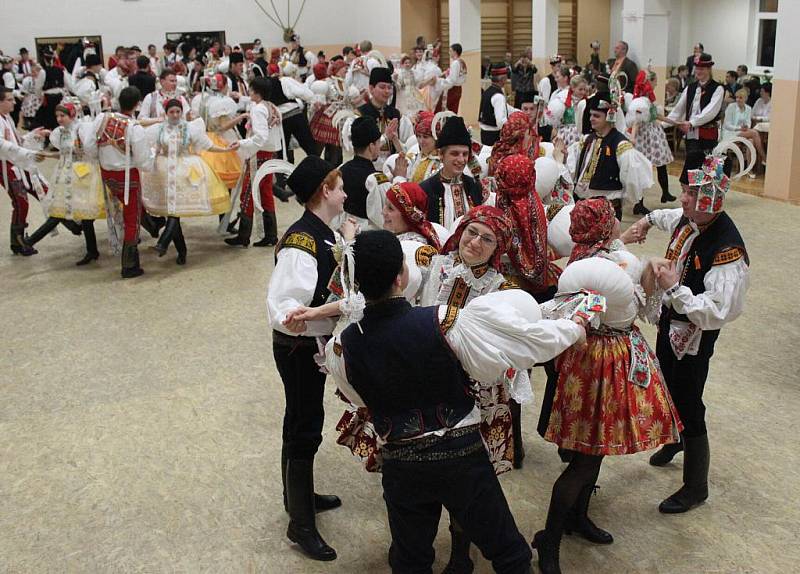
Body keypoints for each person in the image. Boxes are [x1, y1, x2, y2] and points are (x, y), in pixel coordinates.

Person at [325, 226, 586, 574]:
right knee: (509, 553)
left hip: (400, 462)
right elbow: (521, 345)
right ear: (403, 277)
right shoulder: (445, 321)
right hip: (461, 457)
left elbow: (359, 398)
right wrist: (574, 328)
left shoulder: (340, 347)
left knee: (411, 559)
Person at [534, 197, 683, 574]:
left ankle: (576, 518)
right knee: (585, 459)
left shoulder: (579, 263)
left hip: (587, 361)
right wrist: (649, 276)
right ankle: (549, 538)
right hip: (604, 362)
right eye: (613, 218)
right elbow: (642, 312)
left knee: (593, 449)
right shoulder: (616, 264)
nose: (619, 222)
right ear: (604, 227)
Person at [627, 149, 749, 515]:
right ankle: (677, 437)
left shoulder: (726, 249)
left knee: (689, 398)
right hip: (673, 319)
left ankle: (696, 486)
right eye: (685, 191)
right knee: (667, 382)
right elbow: (670, 217)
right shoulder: (692, 218)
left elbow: (718, 311)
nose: (684, 199)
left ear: (713, 199)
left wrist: (672, 288)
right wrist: (647, 221)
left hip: (695, 334)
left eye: (693, 195)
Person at [266, 156, 348, 562]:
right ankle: (300, 523)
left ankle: (295, 497)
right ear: (325, 192)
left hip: (308, 346)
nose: (346, 192)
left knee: (299, 417)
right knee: (304, 424)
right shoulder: (303, 241)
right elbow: (286, 307)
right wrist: (334, 313)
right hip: (298, 349)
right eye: (340, 186)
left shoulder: (322, 232)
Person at [142, 99, 232, 264]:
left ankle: (164, 244)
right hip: (165, 173)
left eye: (178, 112)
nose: (175, 115)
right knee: (173, 212)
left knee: (175, 212)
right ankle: (180, 251)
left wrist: (225, 149)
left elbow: (207, 145)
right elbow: (148, 147)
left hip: (185, 172)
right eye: (172, 112)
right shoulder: (158, 129)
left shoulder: (191, 128)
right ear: (166, 113)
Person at [23, 102, 104, 265]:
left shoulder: (81, 129)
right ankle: (91, 249)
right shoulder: (61, 133)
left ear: (72, 115)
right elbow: (63, 153)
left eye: (63, 116)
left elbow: (90, 151)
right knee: (61, 211)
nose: (59, 119)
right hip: (64, 175)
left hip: (81, 176)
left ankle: (30, 241)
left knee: (77, 214)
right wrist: (47, 154)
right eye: (57, 116)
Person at [92, 86, 151, 278]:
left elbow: (89, 144)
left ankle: (150, 229)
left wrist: (100, 159)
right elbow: (143, 161)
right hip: (127, 177)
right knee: (131, 218)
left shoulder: (102, 118)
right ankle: (129, 265)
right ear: (137, 104)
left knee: (115, 212)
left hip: (106, 174)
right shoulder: (135, 128)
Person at [567, 93, 653, 221]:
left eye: (596, 116)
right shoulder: (587, 139)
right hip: (583, 205)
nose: (591, 119)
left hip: (607, 209)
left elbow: (631, 179)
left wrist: (626, 200)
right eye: (590, 115)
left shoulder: (620, 145)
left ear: (609, 117)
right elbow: (573, 168)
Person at [224, 77, 283, 248]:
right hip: (270, 153)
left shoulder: (258, 109)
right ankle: (271, 235)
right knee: (265, 191)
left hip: (259, 153)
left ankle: (244, 235)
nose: (248, 92)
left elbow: (260, 136)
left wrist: (242, 143)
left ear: (256, 92)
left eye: (250, 90)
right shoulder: (271, 106)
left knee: (248, 193)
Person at [1, 86, 48, 255]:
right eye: (9, 99)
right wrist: (27, 153)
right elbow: (3, 145)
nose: (14, 102)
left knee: (40, 191)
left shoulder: (7, 117)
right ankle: (19, 240)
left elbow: (17, 140)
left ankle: (18, 241)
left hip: (17, 161)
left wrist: (33, 135)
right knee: (21, 201)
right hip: (6, 165)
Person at [667, 53, 724, 189]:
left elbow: (710, 112)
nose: (698, 71)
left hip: (708, 135)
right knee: (690, 172)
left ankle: (706, 200)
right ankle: (690, 198)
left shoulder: (718, 89)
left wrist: (692, 123)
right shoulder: (690, 88)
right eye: (697, 68)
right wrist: (663, 124)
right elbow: (677, 110)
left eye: (702, 69)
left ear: (709, 69)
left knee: (708, 171)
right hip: (692, 136)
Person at [420, 116, 485, 230]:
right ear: (441, 154)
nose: (461, 160)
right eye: (455, 154)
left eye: (465, 154)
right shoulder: (426, 189)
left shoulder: (475, 187)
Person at [627, 70, 676, 204]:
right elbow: (637, 121)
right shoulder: (641, 102)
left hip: (654, 135)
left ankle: (665, 193)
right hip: (645, 137)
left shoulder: (648, 98)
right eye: (655, 81)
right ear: (650, 81)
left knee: (661, 165)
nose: (657, 84)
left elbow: (657, 116)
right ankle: (639, 203)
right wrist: (632, 137)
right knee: (642, 168)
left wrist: (675, 122)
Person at [355, 67, 413, 171]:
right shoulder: (360, 115)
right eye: (382, 87)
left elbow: (409, 149)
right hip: (367, 170)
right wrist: (385, 137)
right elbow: (358, 148)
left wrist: (395, 139)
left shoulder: (397, 115)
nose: (387, 91)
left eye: (389, 87)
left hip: (394, 170)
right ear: (371, 89)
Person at [340, 116, 390, 230]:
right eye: (378, 143)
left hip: (344, 229)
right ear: (371, 146)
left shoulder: (342, 169)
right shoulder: (375, 179)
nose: (379, 147)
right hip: (367, 235)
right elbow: (382, 219)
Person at [385, 110, 441, 184]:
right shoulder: (415, 154)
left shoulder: (442, 160)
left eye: (425, 137)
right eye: (418, 136)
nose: (421, 141)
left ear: (435, 138)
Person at [722, 88, 764, 173]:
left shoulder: (748, 108)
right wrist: (739, 128)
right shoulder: (731, 107)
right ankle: (764, 157)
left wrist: (746, 127)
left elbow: (748, 122)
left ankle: (749, 169)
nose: (738, 99)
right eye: (737, 97)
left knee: (751, 141)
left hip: (743, 132)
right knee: (755, 133)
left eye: (740, 98)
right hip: (730, 132)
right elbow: (727, 125)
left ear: (745, 98)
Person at [479, 63, 515, 146]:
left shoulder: (488, 91)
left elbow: (505, 107)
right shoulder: (498, 96)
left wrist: (517, 112)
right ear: (503, 79)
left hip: (485, 133)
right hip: (493, 136)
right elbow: (500, 122)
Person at [441, 43, 467, 113]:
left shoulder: (455, 63)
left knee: (449, 111)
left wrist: (442, 84)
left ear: (455, 52)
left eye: (450, 51)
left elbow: (452, 79)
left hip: (453, 89)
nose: (449, 53)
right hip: (458, 88)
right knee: (454, 110)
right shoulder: (462, 62)